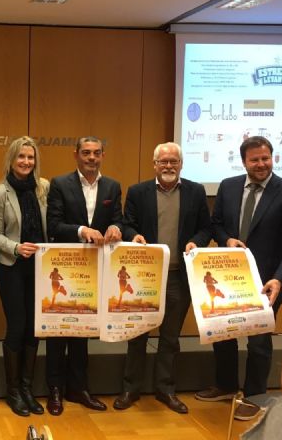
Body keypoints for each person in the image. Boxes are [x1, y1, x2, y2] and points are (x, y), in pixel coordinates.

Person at [196, 136, 282, 421]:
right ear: (244, 162)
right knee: (223, 333)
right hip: (229, 278)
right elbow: (217, 224)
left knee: (259, 341)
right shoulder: (228, 186)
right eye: (255, 160)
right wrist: (227, 239)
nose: (261, 164)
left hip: (268, 283)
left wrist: (280, 278)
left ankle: (254, 397)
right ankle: (226, 385)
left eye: (266, 158)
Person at [113, 142, 211, 414]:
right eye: (163, 161)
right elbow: (127, 224)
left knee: (170, 337)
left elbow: (205, 228)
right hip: (145, 277)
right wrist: (133, 235)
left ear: (181, 164)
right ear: (154, 164)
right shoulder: (138, 191)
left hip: (178, 277)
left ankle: (165, 389)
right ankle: (131, 388)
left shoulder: (196, 191)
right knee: (137, 334)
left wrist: (196, 241)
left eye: (173, 161)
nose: (168, 166)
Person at [45, 136, 122, 415]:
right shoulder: (60, 183)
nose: (91, 158)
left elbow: (118, 218)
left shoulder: (112, 186)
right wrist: (82, 230)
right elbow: (53, 225)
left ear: (103, 155)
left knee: (83, 329)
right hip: (64, 267)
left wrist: (115, 227)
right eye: (86, 153)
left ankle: (79, 388)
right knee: (58, 331)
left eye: (97, 153)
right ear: (76, 154)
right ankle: (55, 389)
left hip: (94, 269)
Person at [0, 136, 49, 417]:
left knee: (34, 327)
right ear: (11, 160)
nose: (26, 162)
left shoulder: (44, 187)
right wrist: (16, 247)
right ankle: (13, 391)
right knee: (17, 326)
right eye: (21, 157)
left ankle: (27, 388)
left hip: (40, 268)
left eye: (30, 157)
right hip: (12, 267)